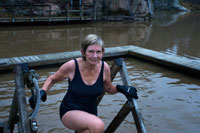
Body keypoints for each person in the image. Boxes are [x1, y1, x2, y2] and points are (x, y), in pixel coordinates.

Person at [30, 34, 138, 133]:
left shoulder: (104, 67)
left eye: (98, 52)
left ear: (103, 52)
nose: (95, 56)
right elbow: (52, 79)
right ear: (83, 52)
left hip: (91, 113)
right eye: (91, 51)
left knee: (92, 128)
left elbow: (108, 88)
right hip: (70, 111)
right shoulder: (72, 66)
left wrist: (121, 88)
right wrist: (42, 92)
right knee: (97, 125)